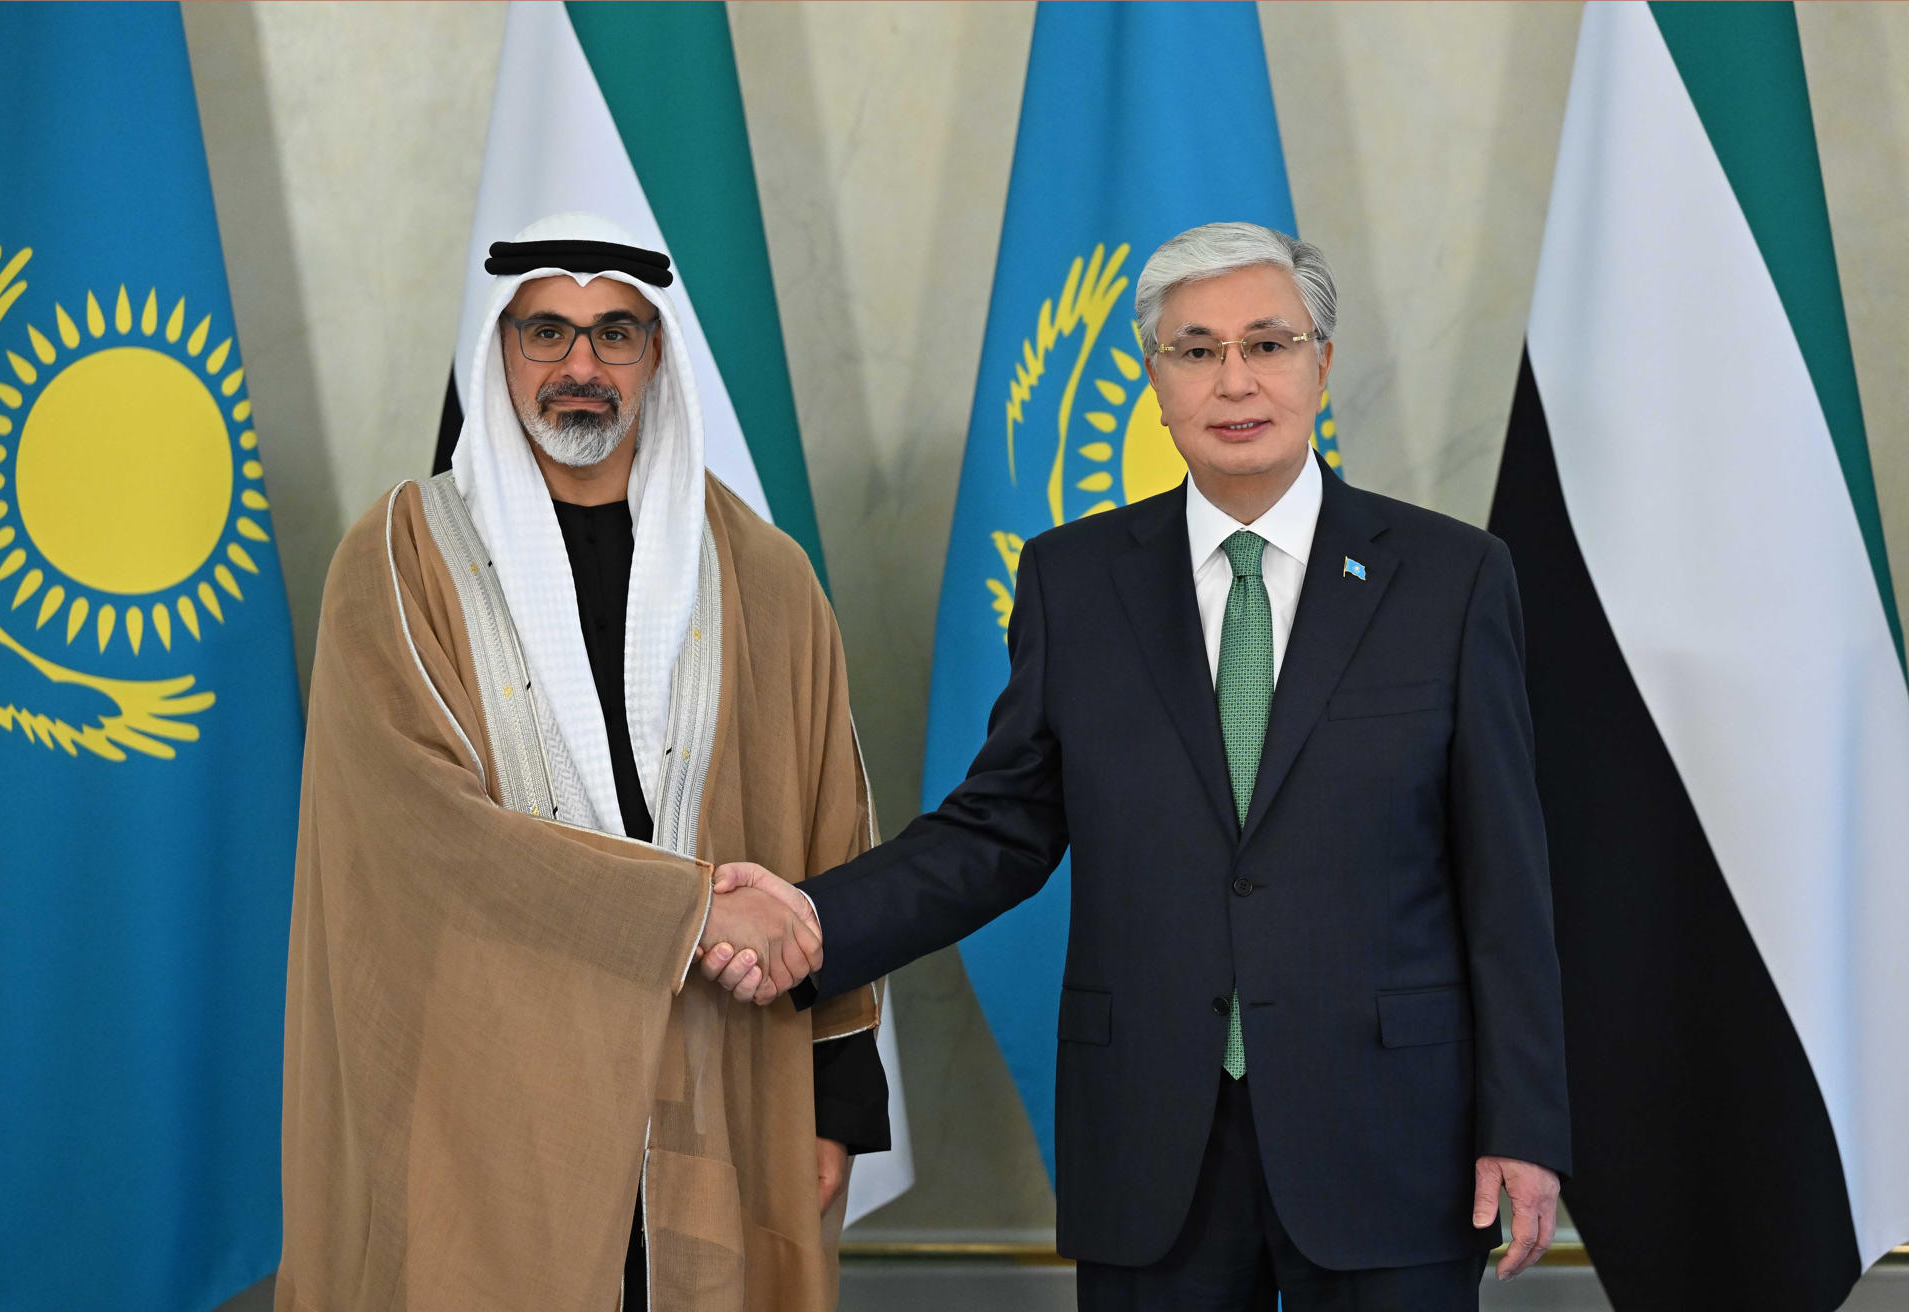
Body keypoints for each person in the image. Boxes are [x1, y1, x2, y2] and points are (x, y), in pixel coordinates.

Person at [705, 222, 1570, 1311]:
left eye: (1268, 342)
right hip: (1155, 1135)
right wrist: (814, 923)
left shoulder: (1453, 577)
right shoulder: (1075, 581)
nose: (1235, 379)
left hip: (1392, 1124)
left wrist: (1524, 1123)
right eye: (1195, 350)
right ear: (1155, 383)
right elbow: (999, 830)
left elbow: (1507, 876)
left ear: (1322, 363)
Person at [277, 212, 884, 1312]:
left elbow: (828, 836)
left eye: (615, 334)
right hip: (482, 1104)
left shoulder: (764, 575)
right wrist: (695, 910)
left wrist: (837, 1100)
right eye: (544, 332)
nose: (579, 368)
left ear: (658, 357)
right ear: (497, 351)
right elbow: (428, 833)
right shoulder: (401, 560)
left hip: (721, 1089)